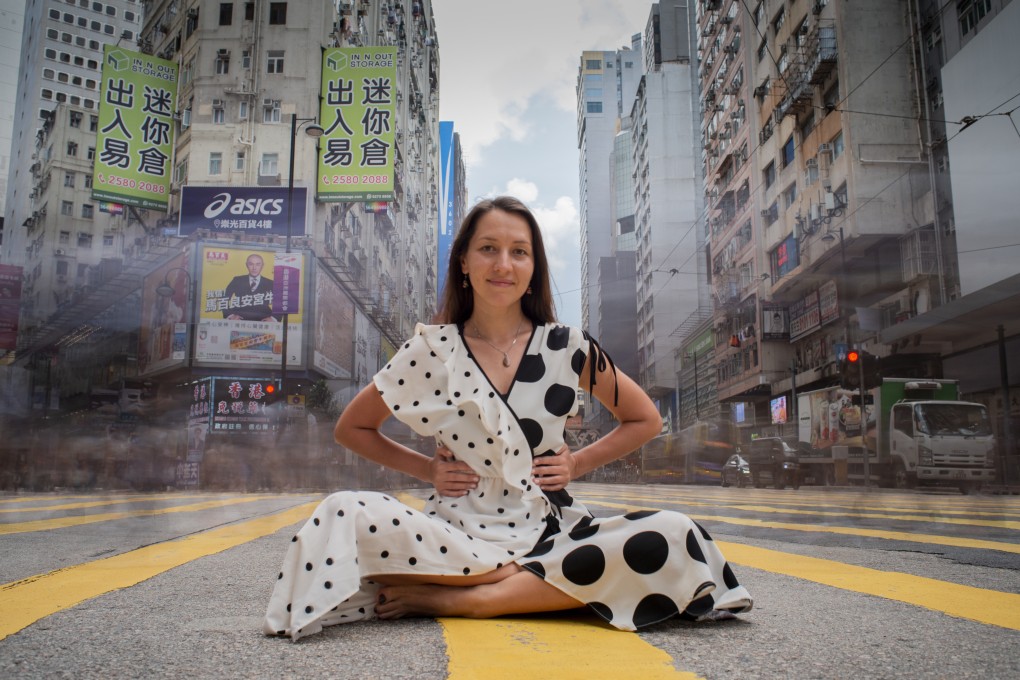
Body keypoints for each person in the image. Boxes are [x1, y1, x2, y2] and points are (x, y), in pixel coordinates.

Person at [263, 196, 752, 641]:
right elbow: (351, 428)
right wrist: (427, 469)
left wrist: (577, 463)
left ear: (534, 267)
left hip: (552, 534)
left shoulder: (568, 345)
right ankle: (522, 582)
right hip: (454, 535)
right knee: (342, 512)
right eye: (488, 249)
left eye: (519, 252)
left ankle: (470, 599)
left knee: (674, 533)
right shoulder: (432, 349)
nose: (503, 264)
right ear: (464, 262)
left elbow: (644, 419)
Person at [223, 253, 278, 321]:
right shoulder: (237, 280)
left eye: (258, 264)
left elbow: (280, 303)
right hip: (239, 319)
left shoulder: (270, 283)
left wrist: (273, 318)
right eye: (251, 264)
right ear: (246, 265)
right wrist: (230, 315)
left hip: (263, 320)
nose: (254, 268)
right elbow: (224, 298)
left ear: (262, 266)